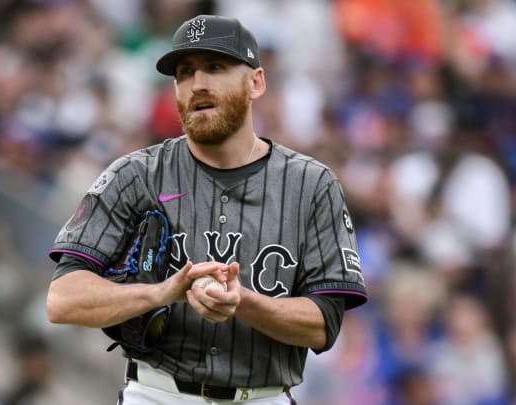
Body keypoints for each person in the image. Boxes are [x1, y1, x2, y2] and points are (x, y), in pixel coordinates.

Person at [46, 14, 367, 404]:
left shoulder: (312, 185)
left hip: (261, 397)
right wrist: (163, 292)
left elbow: (325, 324)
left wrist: (243, 302)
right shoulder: (135, 175)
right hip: (157, 393)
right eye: (185, 72)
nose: (197, 84)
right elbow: (62, 299)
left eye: (215, 67)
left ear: (256, 82)